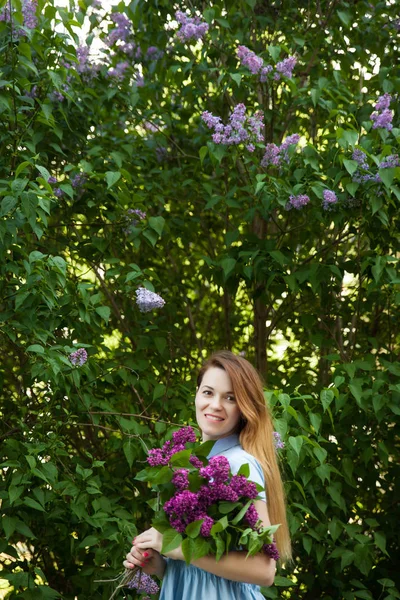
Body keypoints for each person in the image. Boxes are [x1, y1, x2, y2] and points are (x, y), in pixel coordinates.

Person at [123, 351, 291, 598]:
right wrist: (161, 565)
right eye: (208, 392)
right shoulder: (192, 467)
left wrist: (179, 548)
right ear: (196, 394)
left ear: (244, 408)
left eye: (230, 398)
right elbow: (200, 566)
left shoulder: (237, 464)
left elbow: (264, 569)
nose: (215, 405)